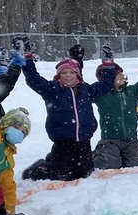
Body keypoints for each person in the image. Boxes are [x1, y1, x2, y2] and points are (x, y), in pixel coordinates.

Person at [19, 50, 115, 181]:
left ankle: (53, 158)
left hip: (83, 140)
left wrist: (108, 65)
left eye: (72, 72)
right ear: (58, 76)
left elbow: (106, 84)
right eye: (64, 72)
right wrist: (27, 59)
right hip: (62, 141)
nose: (68, 76)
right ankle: (40, 167)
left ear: (78, 75)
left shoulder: (86, 90)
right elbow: (33, 78)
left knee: (84, 173)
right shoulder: (51, 90)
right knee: (63, 175)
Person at [93, 42, 138, 170]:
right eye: (118, 73)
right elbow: (83, 90)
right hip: (110, 141)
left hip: (131, 141)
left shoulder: (131, 92)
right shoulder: (101, 95)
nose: (122, 75)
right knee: (108, 165)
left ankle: (123, 156)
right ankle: (98, 154)